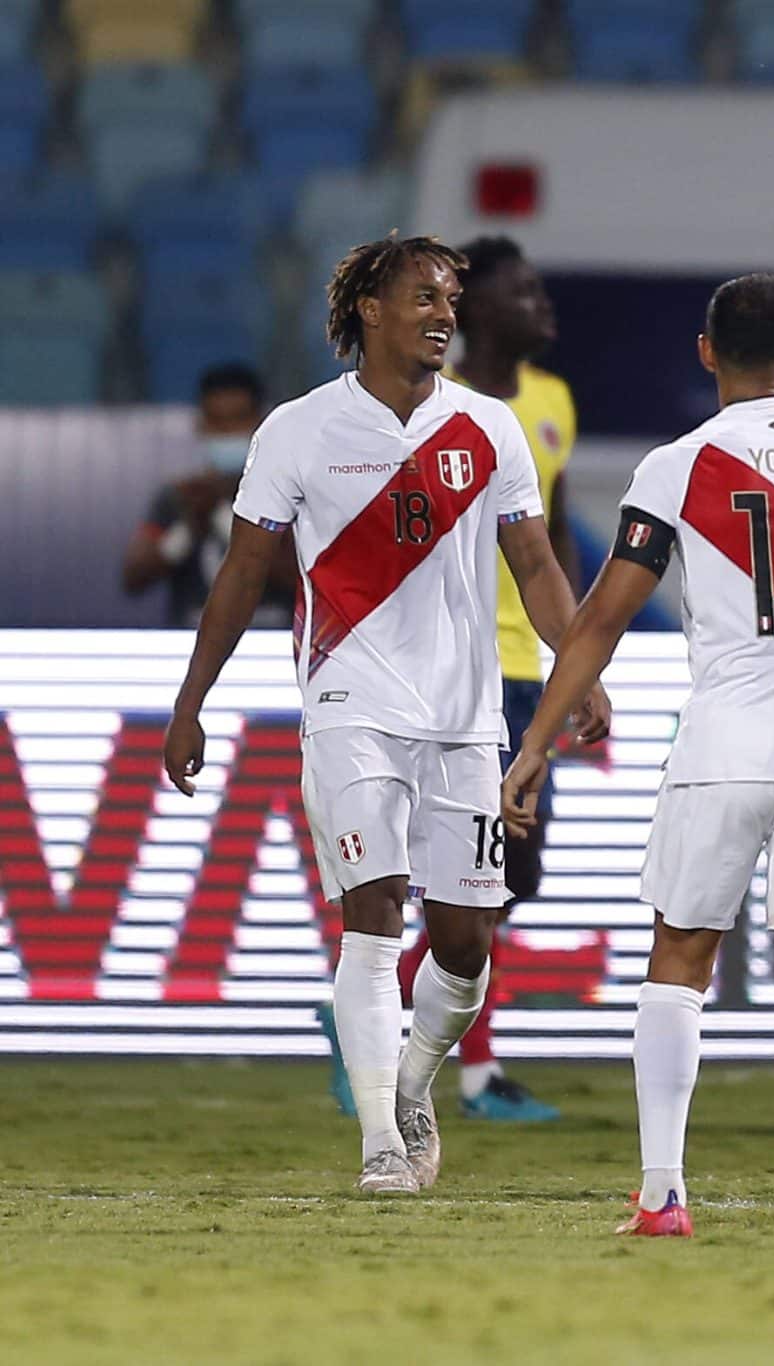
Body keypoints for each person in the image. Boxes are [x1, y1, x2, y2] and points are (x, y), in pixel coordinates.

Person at [502, 273, 774, 1241]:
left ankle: (662, 1193)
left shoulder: (676, 466)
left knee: (678, 960)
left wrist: (537, 742)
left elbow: (598, 623)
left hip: (723, 743)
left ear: (707, 353)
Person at [161, 235, 609, 1195]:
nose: (445, 313)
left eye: (450, 299)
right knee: (372, 921)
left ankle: (412, 1079)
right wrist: (191, 699)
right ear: (369, 308)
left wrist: (581, 671)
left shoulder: (490, 428)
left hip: (464, 715)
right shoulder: (298, 430)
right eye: (423, 297)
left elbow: (535, 562)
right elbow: (244, 570)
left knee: (465, 944)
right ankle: (379, 1144)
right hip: (347, 700)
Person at [378, 235, 579, 1123]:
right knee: (466, 884)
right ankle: (466, 1073)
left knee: (509, 878)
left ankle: (391, 1015)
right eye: (522, 291)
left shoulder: (550, 403)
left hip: (528, 669)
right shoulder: (428, 405)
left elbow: (554, 539)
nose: (543, 306)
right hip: (450, 672)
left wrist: (577, 652)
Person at [121, 363, 296, 627]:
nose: (227, 431)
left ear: (261, 423)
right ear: (201, 425)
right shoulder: (180, 498)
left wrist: (225, 519)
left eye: (238, 419)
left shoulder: (289, 494)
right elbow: (134, 577)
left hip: (272, 647)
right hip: (194, 644)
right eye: (217, 421)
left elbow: (300, 578)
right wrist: (187, 531)